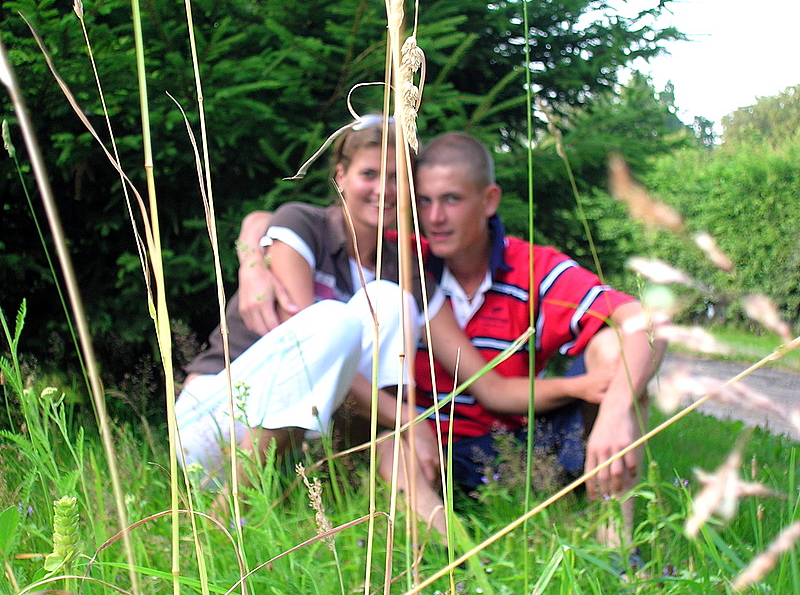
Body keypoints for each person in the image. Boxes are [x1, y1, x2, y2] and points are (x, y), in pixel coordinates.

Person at [176, 118, 532, 499]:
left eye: (396, 178)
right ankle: (231, 511)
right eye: (369, 174)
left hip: (293, 446)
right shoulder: (302, 226)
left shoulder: (404, 269)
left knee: (390, 301)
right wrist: (407, 418)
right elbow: (309, 355)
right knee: (334, 322)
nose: (384, 189)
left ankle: (343, 497)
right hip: (215, 420)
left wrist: (577, 387)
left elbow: (487, 384)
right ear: (341, 176)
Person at [385, 131, 665, 540]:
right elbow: (332, 231)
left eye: (452, 199)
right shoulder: (401, 259)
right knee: (387, 445)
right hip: (433, 453)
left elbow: (647, 323)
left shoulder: (534, 269)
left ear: (489, 200)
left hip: (525, 446)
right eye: (424, 201)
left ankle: (616, 548)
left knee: (614, 350)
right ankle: (448, 551)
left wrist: (615, 411)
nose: (435, 217)